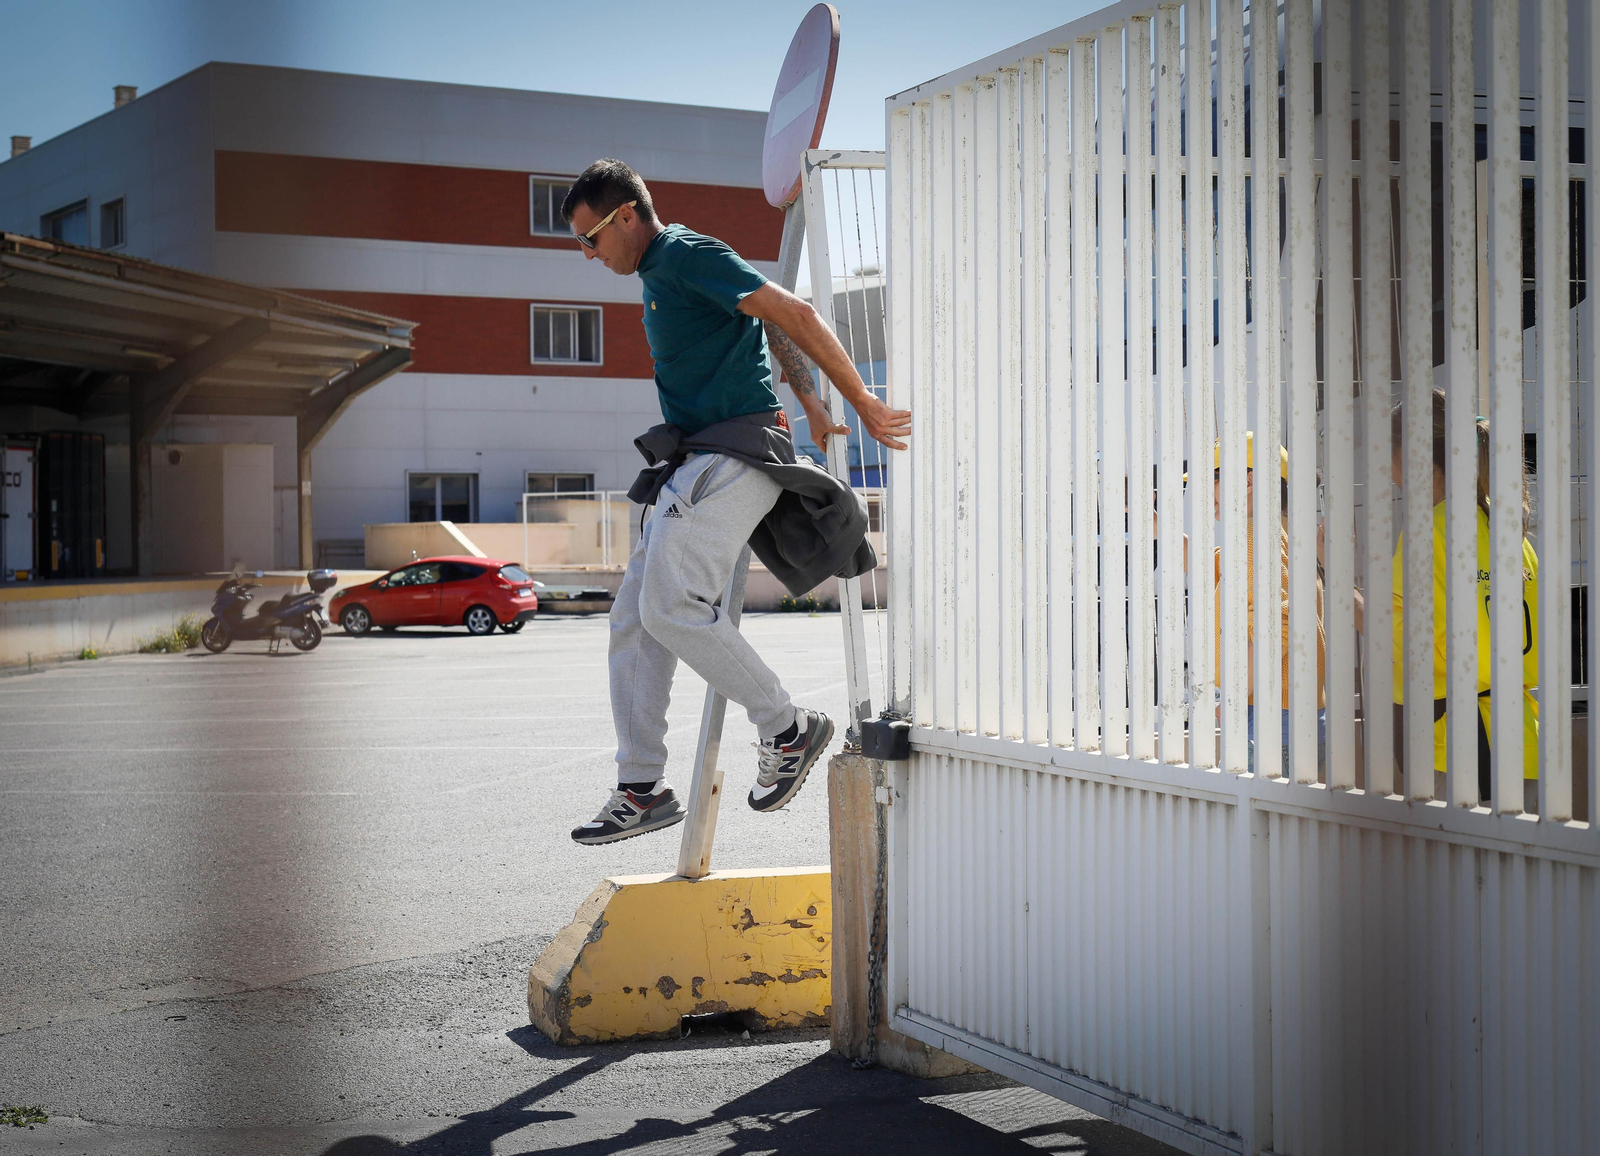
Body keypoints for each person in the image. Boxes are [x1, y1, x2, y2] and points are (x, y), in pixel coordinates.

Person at [561, 160, 911, 846]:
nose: (588, 254)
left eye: (590, 237)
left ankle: (787, 728)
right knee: (634, 617)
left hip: (730, 455)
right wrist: (808, 400)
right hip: (697, 460)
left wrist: (859, 400)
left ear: (626, 216)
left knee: (668, 606)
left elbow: (794, 311)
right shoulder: (667, 272)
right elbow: (762, 320)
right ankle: (641, 790)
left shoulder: (683, 253)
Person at [1389, 388, 1538, 804]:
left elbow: (1406, 638)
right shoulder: (1510, 528)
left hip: (1459, 744)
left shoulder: (1430, 530)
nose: (1390, 473)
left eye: (1392, 459)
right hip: (1523, 734)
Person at [1204, 434, 1326, 773]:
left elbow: (1276, 626)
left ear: (1247, 481)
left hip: (1272, 718)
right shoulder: (1278, 534)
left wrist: (1234, 695)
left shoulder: (1253, 536)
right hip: (1288, 714)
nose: (1207, 493)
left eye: (1213, 479)